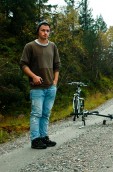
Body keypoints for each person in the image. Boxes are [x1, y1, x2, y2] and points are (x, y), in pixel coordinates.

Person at [20, 21, 60, 149]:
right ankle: (35, 140)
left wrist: (55, 82)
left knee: (46, 114)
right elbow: (23, 64)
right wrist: (33, 76)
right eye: (43, 30)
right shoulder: (30, 46)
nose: (45, 33)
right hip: (37, 88)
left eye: (48, 30)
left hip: (50, 87)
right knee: (36, 114)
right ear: (38, 31)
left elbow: (57, 66)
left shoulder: (53, 46)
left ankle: (43, 137)